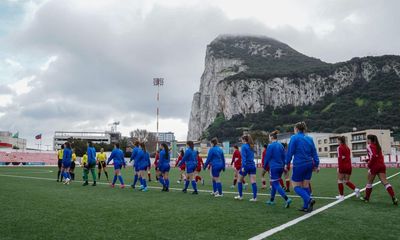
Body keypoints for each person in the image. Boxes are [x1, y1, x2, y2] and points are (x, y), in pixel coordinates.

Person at [285, 122, 319, 213]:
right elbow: (314, 152)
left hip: (299, 164)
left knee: (295, 186)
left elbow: (290, 152)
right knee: (305, 185)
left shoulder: (294, 138)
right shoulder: (309, 139)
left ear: (296, 129)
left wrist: (286, 163)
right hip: (309, 164)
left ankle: (309, 200)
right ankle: (305, 206)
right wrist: (316, 164)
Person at [360, 135, 398, 205]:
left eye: (367, 139)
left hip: (375, 166)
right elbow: (377, 156)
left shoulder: (369, 146)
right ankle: (393, 197)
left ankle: (366, 198)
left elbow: (374, 156)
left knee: (369, 182)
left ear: (370, 140)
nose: (366, 140)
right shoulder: (378, 146)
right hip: (381, 165)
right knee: (385, 182)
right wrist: (367, 159)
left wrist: (369, 165)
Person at [264, 131, 292, 208]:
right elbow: (284, 156)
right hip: (281, 167)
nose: (269, 138)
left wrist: (264, 167)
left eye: (269, 137)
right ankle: (272, 200)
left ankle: (287, 199)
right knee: (274, 183)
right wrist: (285, 165)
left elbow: (267, 157)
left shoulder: (270, 146)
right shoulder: (281, 145)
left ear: (272, 137)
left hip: (274, 167)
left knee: (275, 183)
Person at [234, 135, 258, 202]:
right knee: (253, 182)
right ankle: (255, 198)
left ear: (244, 140)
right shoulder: (251, 146)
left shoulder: (244, 146)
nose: (241, 141)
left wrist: (243, 167)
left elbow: (244, 158)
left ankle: (240, 196)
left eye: (242, 139)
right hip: (252, 165)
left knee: (239, 180)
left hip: (246, 166)